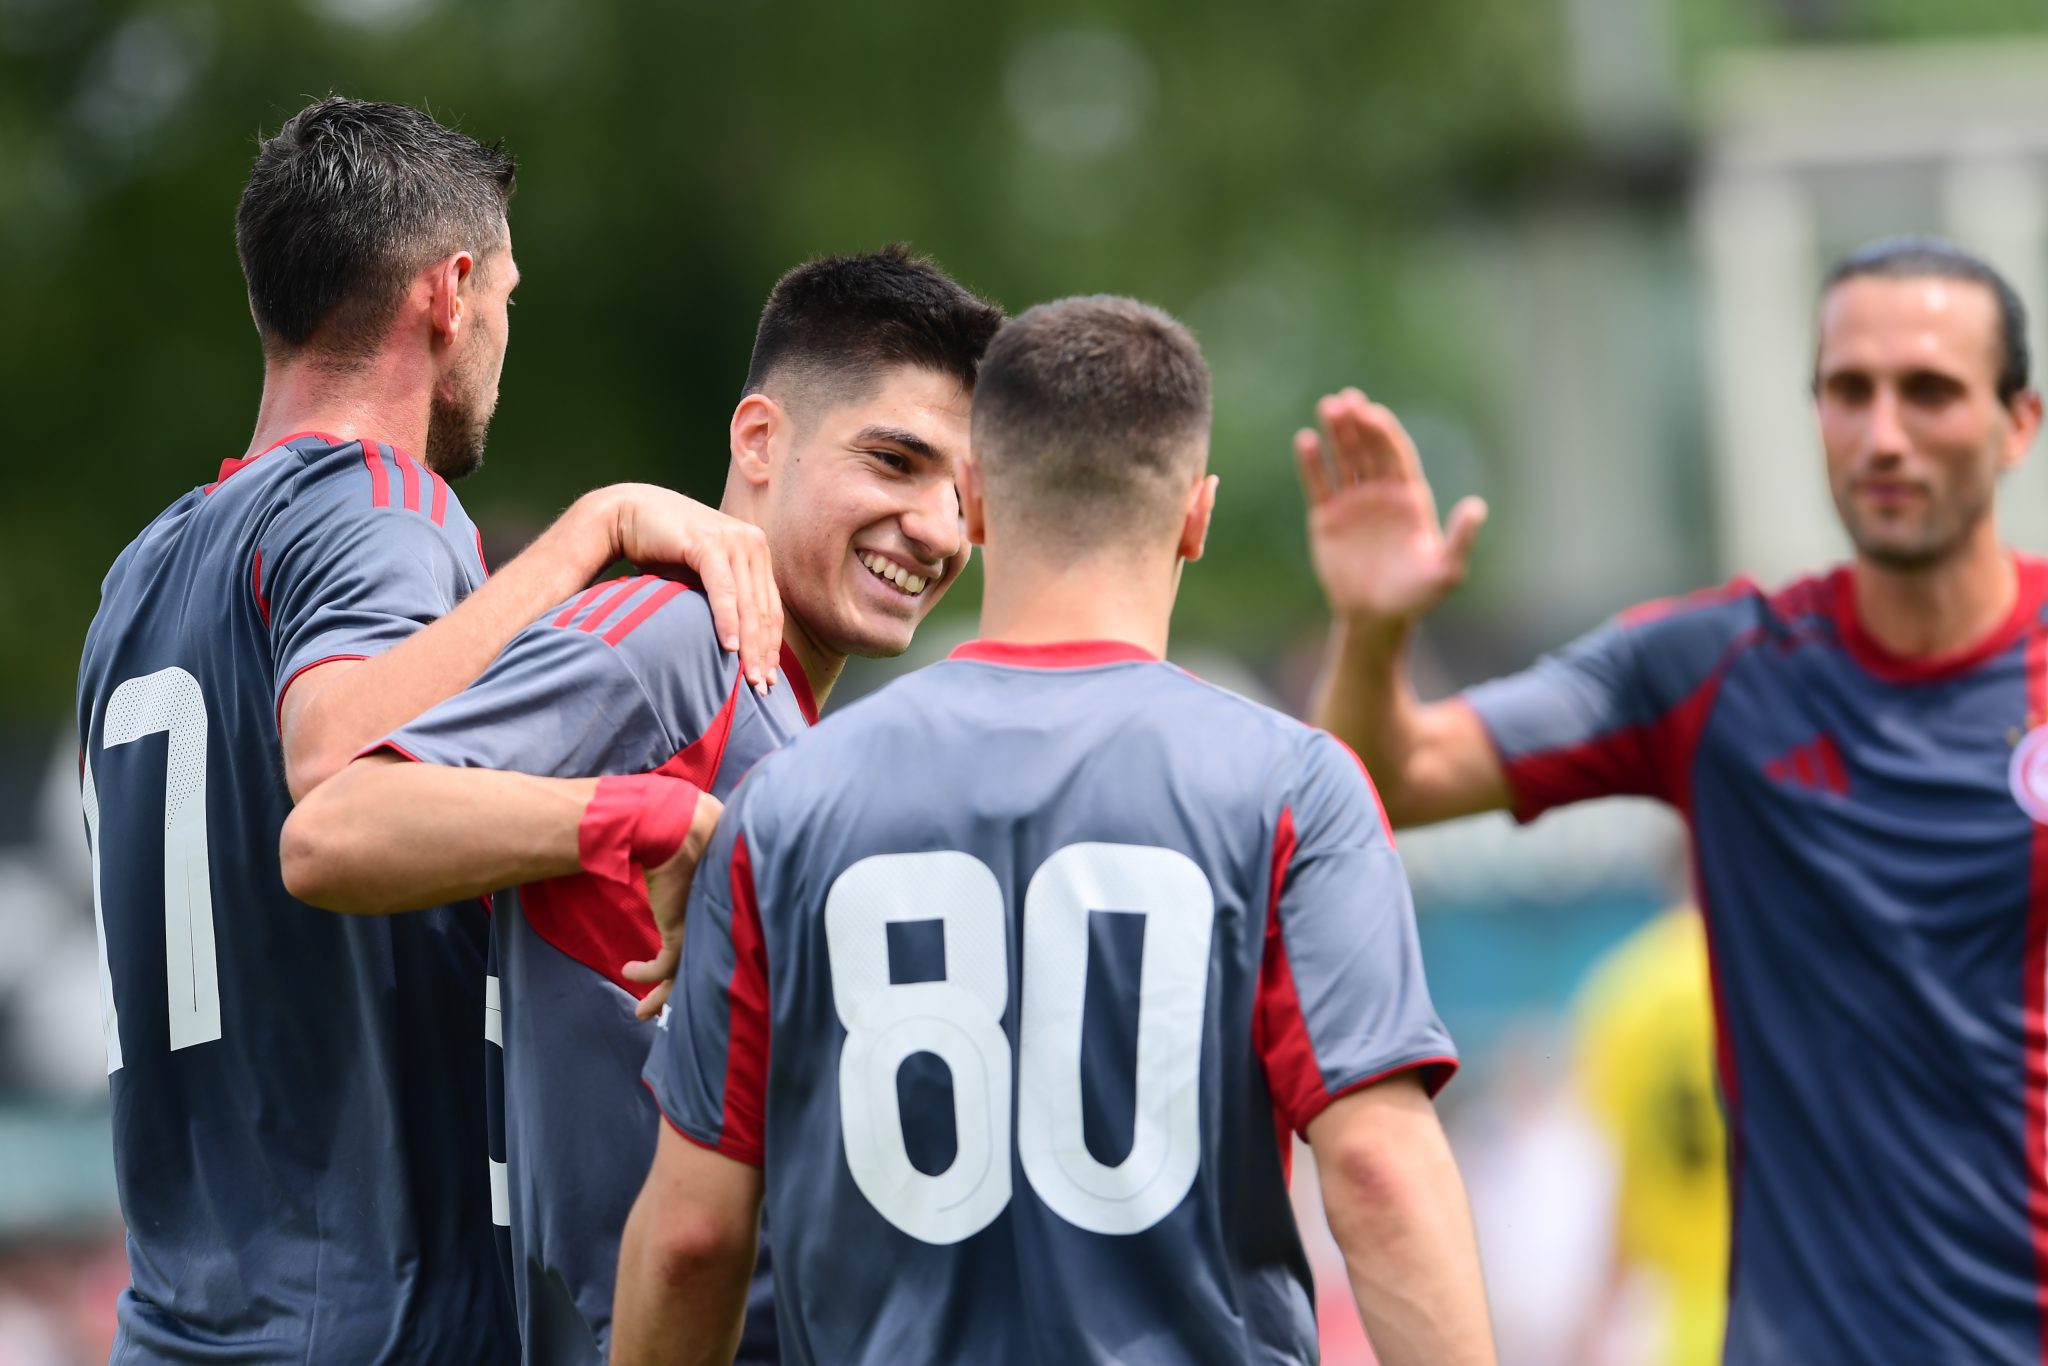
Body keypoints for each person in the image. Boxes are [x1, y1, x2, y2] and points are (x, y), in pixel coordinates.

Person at [613, 295, 1497, 1366]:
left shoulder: (785, 806)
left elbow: (693, 1240)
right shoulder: (1294, 787)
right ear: (1196, 516)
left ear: (976, 499)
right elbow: (1379, 1175)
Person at [75, 96, 780, 1364]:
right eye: (506, 296)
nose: (504, 337)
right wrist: (591, 533)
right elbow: (336, 760)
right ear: (449, 293)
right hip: (371, 1322)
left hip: (168, 1324)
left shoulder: (141, 570)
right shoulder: (378, 503)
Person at [1298, 235, 2048, 1363]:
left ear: (2016, 423)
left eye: (1929, 391)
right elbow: (1383, 778)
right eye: (1848, 390)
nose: (1882, 433)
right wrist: (1373, 626)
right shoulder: (1712, 669)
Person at [280, 245, 1005, 1363]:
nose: (939, 529)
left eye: (963, 493)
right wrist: (643, 818)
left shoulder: (788, 716)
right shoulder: (670, 639)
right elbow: (334, 832)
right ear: (759, 440)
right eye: (895, 462)